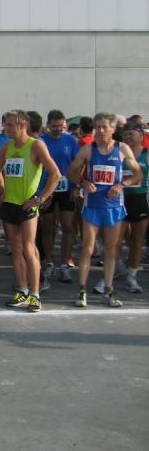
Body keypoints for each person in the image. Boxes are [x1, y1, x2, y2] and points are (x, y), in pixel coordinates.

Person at [67, 112, 142, 308]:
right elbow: (71, 171)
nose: (100, 131)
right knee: (87, 248)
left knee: (111, 249)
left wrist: (122, 185)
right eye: (97, 127)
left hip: (114, 207)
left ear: (113, 129)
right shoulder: (88, 150)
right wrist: (83, 182)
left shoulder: (122, 149)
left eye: (104, 127)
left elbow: (138, 174)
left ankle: (109, 290)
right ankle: (82, 291)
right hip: (92, 206)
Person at [0, 109, 61, 313]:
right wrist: (2, 188)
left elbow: (55, 174)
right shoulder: (6, 146)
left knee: (29, 248)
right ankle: (22, 290)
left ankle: (35, 293)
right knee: (15, 248)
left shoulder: (36, 145)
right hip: (10, 204)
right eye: (5, 124)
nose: (5, 128)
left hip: (27, 205)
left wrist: (40, 199)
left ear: (22, 125)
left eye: (9, 125)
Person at [38, 110, 79, 285]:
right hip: (48, 189)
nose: (58, 129)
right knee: (49, 227)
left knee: (68, 226)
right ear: (48, 125)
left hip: (66, 188)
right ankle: (49, 262)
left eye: (61, 126)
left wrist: (77, 185)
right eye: (54, 126)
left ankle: (64, 263)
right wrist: (42, 192)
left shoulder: (71, 141)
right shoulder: (41, 142)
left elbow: (79, 164)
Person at [120, 123, 147, 294]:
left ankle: (132, 276)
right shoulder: (118, 153)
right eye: (125, 135)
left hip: (140, 199)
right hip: (120, 199)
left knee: (137, 241)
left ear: (141, 137)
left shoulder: (146, 154)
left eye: (132, 134)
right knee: (115, 241)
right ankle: (112, 273)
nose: (128, 137)